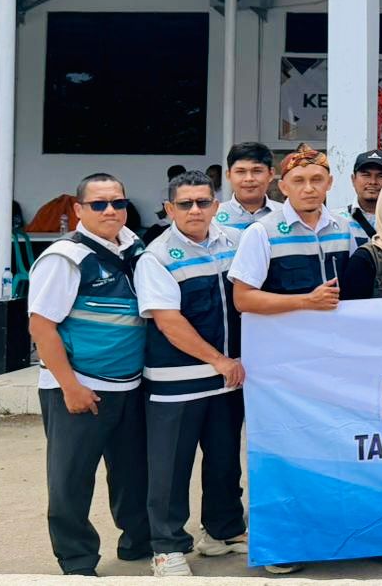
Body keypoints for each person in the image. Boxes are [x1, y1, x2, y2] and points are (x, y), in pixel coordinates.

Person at [227, 144, 357, 575]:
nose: (308, 188)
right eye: (298, 181)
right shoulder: (262, 233)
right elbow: (243, 299)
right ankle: (283, 545)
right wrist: (305, 302)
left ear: (330, 183)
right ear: (282, 186)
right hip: (281, 370)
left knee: (340, 451)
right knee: (284, 456)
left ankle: (351, 537)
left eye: (317, 180)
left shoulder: (346, 229)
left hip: (335, 365)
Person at [26, 173, 149, 577]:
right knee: (71, 479)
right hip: (81, 388)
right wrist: (70, 386)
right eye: (98, 204)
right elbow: (42, 326)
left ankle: (138, 543)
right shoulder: (65, 258)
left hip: (129, 385)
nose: (110, 210)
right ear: (79, 210)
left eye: (117, 202)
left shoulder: (135, 248)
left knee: (132, 473)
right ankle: (77, 561)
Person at [134, 171, 245, 577]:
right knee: (170, 469)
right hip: (176, 384)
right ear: (169, 209)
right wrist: (219, 360)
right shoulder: (156, 256)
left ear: (216, 205)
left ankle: (222, 532)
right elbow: (169, 322)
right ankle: (167, 548)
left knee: (224, 461)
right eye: (185, 204)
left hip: (227, 380)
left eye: (202, 202)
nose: (195, 210)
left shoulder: (235, 242)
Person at [217, 142, 283, 231]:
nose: (249, 178)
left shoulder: (286, 214)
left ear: (271, 174)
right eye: (240, 172)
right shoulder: (212, 216)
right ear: (228, 175)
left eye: (257, 171)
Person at [346, 149, 382, 247]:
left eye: (381, 176)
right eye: (366, 175)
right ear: (353, 179)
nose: (373, 182)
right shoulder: (335, 221)